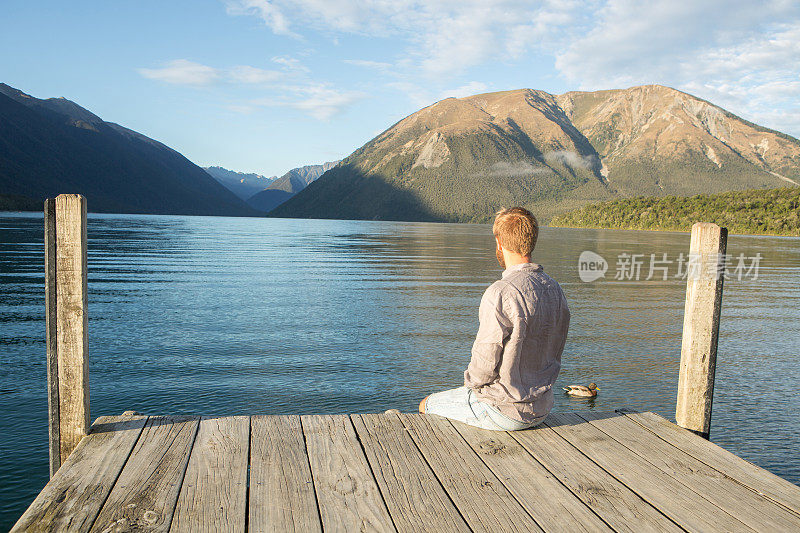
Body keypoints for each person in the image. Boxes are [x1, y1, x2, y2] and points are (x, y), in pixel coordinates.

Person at [419, 207, 570, 431]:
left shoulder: (500, 292)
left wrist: (470, 387)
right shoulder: (555, 289)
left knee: (426, 405)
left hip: (502, 411)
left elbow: (484, 366)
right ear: (531, 241)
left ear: (499, 243)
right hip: (543, 408)